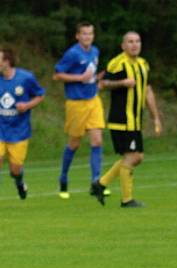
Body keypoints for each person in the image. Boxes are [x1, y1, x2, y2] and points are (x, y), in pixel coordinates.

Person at [92, 31, 161, 208]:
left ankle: (100, 184)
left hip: (135, 120)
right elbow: (102, 84)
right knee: (133, 157)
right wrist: (122, 83)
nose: (134, 44)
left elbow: (148, 90)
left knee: (136, 157)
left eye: (137, 41)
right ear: (123, 45)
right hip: (121, 119)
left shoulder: (143, 64)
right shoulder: (118, 63)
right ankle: (127, 199)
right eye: (130, 42)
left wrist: (156, 118)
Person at [0, 46, 45, 212]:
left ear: (7, 62)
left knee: (15, 169)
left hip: (19, 130)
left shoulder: (26, 78)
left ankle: (19, 182)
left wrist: (27, 105)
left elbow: (40, 95)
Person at [53, 21, 106, 200]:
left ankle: (96, 182)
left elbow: (92, 74)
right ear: (77, 36)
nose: (87, 37)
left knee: (97, 141)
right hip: (76, 103)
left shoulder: (95, 51)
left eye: (90, 34)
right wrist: (79, 78)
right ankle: (63, 176)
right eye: (84, 34)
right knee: (74, 143)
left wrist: (98, 80)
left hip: (93, 100)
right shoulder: (72, 53)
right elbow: (57, 75)